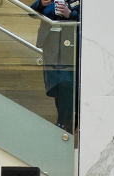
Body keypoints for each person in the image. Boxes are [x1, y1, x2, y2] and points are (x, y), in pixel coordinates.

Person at [31, 0, 80, 133]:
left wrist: (70, 14)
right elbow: (33, 11)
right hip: (53, 48)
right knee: (61, 85)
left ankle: (65, 126)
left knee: (69, 85)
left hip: (75, 47)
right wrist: (42, 3)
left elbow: (93, 19)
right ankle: (64, 125)